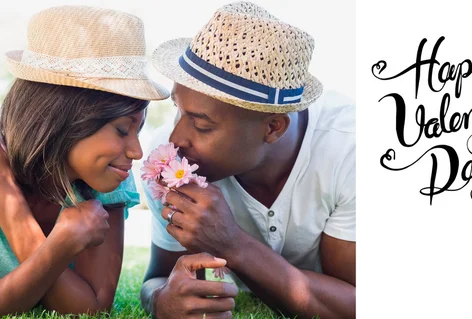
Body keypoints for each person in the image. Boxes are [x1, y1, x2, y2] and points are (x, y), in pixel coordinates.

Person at [140, 2, 356, 318]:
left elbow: (352, 305)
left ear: (272, 127)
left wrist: (232, 244)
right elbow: (158, 278)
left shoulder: (348, 152)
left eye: (201, 124)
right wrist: (161, 300)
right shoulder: (170, 160)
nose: (175, 139)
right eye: (178, 110)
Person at [0, 6, 174, 316]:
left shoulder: (106, 178)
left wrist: (13, 206)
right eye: (122, 130)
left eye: (139, 129)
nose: (136, 151)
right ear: (61, 120)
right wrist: (1, 196)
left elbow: (89, 309)